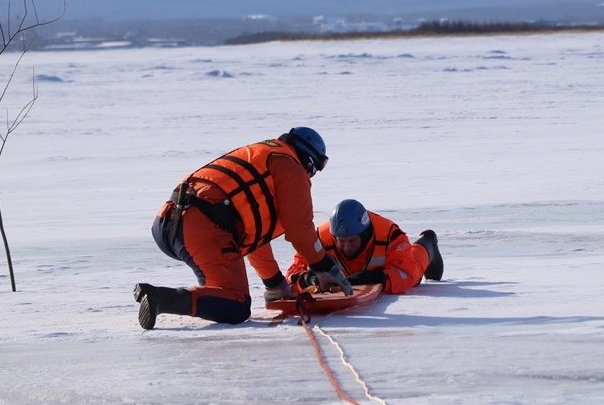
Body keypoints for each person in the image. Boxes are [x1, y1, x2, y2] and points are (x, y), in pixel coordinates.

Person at [134, 127, 352, 328]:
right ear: (311, 162)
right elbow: (300, 228)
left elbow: (253, 237)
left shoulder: (262, 155)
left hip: (168, 222)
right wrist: (324, 265)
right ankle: (159, 299)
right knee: (235, 304)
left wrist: (275, 283)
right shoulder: (291, 167)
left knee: (218, 295)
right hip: (202, 226)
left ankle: (159, 298)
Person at [286, 198, 443, 296]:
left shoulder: (390, 235)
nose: (346, 247)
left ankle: (428, 241)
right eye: (341, 241)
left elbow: (406, 275)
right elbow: (293, 273)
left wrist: (371, 278)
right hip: (349, 274)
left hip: (394, 264)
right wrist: (310, 280)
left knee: (416, 267)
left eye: (352, 241)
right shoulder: (318, 238)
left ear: (365, 234)